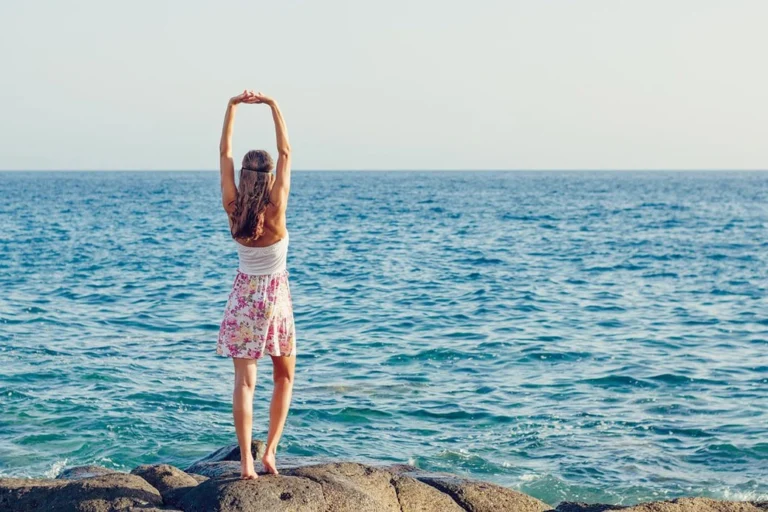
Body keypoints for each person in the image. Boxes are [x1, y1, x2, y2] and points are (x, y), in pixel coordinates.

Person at [216, 89, 295, 480]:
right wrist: (273, 106)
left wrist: (231, 107)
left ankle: (246, 461)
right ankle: (271, 452)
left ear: (244, 176)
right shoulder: (276, 207)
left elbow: (224, 154)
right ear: (268, 177)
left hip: (243, 299)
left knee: (244, 384)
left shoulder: (233, 206)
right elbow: (287, 154)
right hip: (275, 299)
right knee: (283, 376)